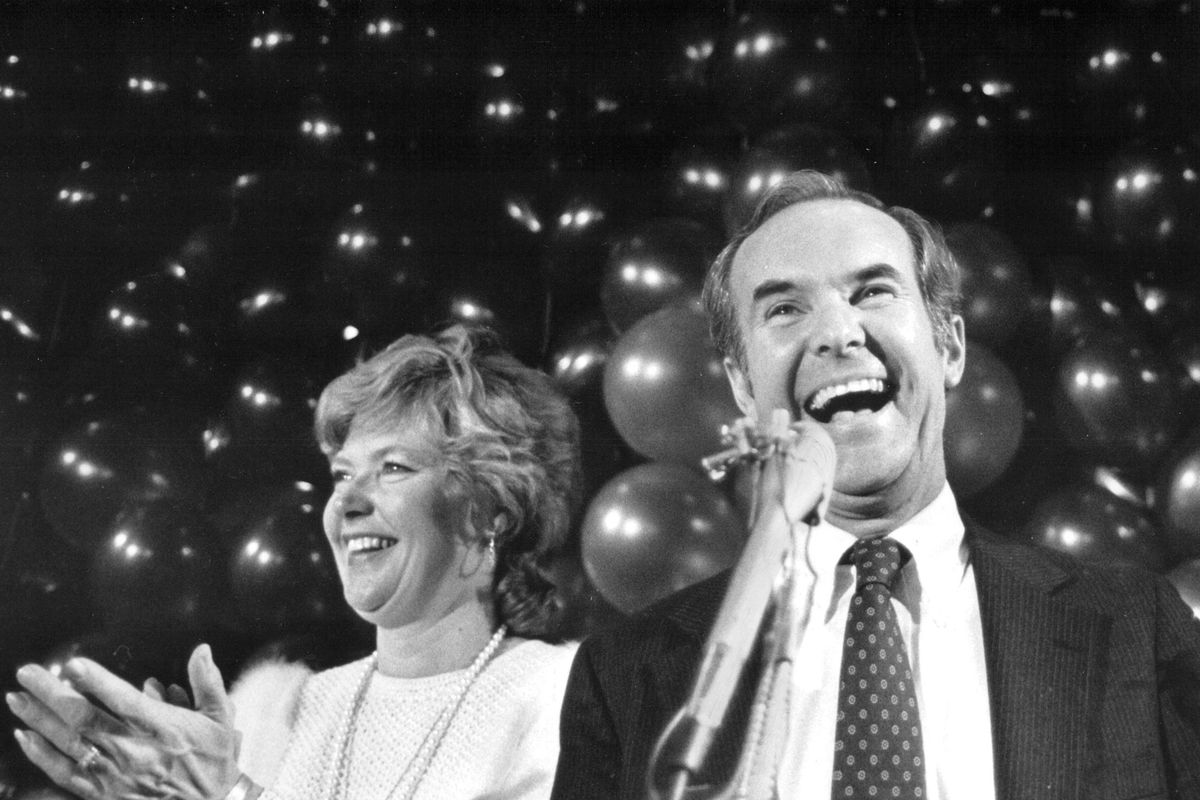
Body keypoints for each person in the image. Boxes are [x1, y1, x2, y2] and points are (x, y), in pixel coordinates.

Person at [549, 170, 1200, 800]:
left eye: (871, 293)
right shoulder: (626, 677)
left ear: (949, 347)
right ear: (745, 389)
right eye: (784, 308)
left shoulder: (1137, 628)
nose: (836, 333)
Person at [8, 324, 584, 800]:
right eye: (342, 474)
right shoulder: (279, 710)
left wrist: (230, 795)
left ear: (493, 513)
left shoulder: (562, 698)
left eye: (394, 469)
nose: (347, 503)